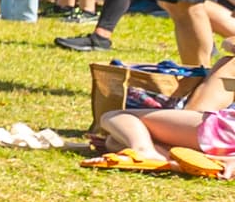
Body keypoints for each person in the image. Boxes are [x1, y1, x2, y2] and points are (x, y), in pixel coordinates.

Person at [85, 57, 235, 168]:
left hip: (222, 130)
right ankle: (172, 161)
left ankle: (143, 151)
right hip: (225, 139)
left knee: (114, 115)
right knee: (114, 141)